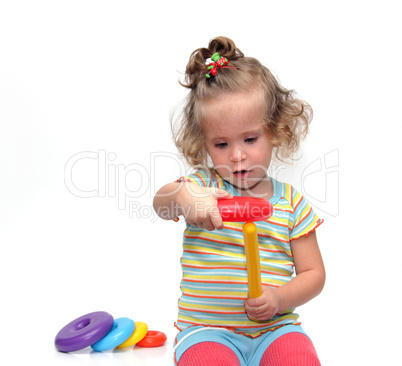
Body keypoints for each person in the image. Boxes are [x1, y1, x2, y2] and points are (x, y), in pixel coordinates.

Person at [153, 36, 325, 366]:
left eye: (250, 139)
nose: (237, 155)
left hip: (276, 328)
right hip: (206, 331)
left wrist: (279, 298)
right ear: (203, 142)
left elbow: (313, 273)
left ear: (275, 130)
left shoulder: (292, 204)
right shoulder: (202, 186)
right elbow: (162, 203)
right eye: (220, 144)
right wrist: (184, 196)